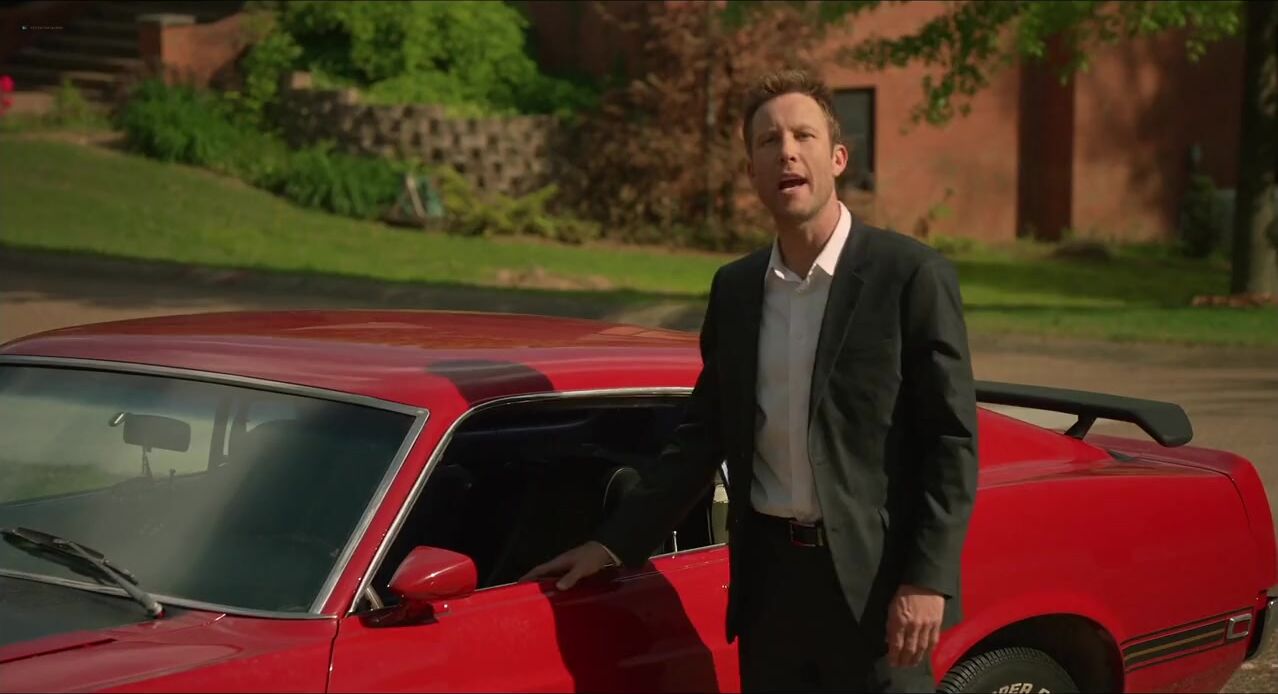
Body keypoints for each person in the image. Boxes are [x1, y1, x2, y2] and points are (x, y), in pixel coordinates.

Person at [523, 68, 978, 693]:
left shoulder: (910, 276)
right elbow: (702, 436)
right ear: (752, 173)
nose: (786, 151)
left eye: (803, 136)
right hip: (770, 592)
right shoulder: (736, 289)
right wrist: (612, 544)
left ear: (838, 158)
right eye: (768, 141)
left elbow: (950, 442)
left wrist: (927, 578)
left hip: (875, 589)